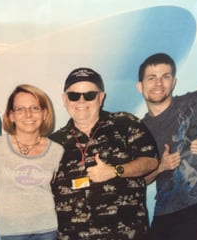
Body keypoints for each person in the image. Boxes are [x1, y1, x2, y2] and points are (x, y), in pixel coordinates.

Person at [50, 67, 159, 240]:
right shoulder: (53, 143)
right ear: (65, 99)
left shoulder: (125, 123)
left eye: (89, 95)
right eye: (74, 95)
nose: (81, 101)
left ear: (101, 97)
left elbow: (150, 161)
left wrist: (115, 171)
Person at [136, 52, 197, 240]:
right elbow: (141, 181)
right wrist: (161, 167)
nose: (159, 83)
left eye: (165, 77)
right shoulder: (138, 130)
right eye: (152, 78)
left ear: (173, 82)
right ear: (140, 86)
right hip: (164, 208)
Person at [0, 84, 64, 240]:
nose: (28, 114)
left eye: (35, 108)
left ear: (45, 113)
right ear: (11, 116)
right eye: (20, 109)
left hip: (47, 230)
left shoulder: (57, 150)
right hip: (12, 232)